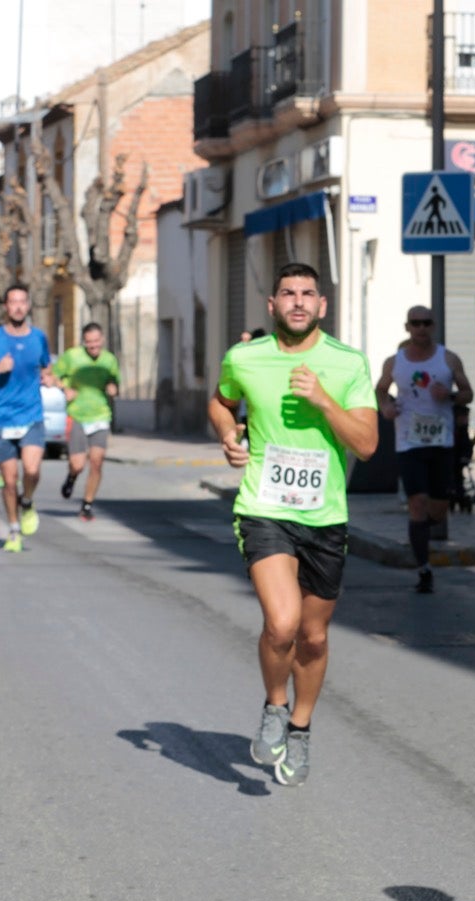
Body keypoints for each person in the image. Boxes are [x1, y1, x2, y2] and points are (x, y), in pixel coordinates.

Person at [208, 263, 378, 787]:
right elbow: (220, 399)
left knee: (313, 636)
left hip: (325, 515)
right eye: (288, 293)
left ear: (322, 306)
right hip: (264, 507)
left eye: (308, 294)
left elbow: (367, 445)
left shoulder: (347, 363)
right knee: (281, 623)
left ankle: (299, 730)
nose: (298, 302)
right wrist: (228, 432)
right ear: (272, 304)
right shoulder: (245, 357)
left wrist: (325, 401)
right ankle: (275, 707)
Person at [375, 305, 474, 594]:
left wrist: (452, 396)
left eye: (426, 323)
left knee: (439, 509)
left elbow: (469, 392)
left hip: (441, 442)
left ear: (433, 326)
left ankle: (420, 531)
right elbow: (381, 389)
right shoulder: (395, 362)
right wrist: (386, 406)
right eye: (415, 323)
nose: (420, 328)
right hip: (409, 442)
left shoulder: (448, 358)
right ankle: (424, 568)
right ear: (407, 327)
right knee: (417, 504)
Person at [0, 284, 54, 552]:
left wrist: (49, 377)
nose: (18, 306)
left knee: (31, 470)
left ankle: (28, 501)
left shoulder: (39, 338)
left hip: (31, 415)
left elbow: (46, 366)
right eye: (13, 302)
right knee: (9, 481)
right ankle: (13, 529)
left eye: (22, 301)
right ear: (6, 307)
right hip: (2, 417)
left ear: (28, 305)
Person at [55, 322, 121, 520]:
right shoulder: (72, 356)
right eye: (89, 342)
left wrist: (113, 388)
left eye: (96, 342)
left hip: (100, 415)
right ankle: (71, 477)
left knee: (97, 462)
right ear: (84, 342)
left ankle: (87, 505)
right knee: (78, 464)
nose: (93, 346)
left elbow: (114, 382)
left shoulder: (109, 360)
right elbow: (53, 375)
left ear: (102, 340)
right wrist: (64, 389)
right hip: (77, 415)